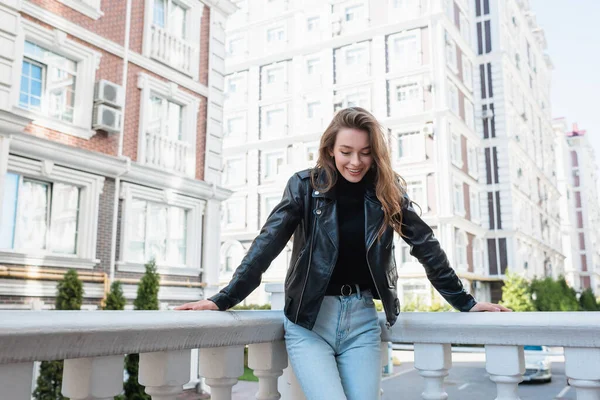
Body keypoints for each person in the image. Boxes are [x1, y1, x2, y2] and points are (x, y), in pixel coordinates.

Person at [175, 107, 510, 399]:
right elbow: (267, 244)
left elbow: (425, 245)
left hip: (361, 321)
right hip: (309, 323)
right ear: (330, 149)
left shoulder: (387, 192)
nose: (355, 161)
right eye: (346, 151)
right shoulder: (305, 187)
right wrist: (223, 299)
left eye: (365, 152)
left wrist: (465, 302)